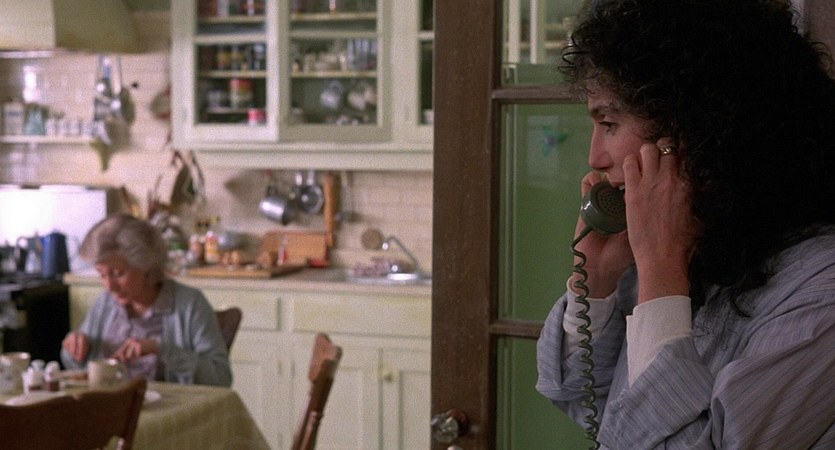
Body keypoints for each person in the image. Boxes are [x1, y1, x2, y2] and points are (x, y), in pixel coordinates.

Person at [536, 0, 835, 448]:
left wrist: (661, 272)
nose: (595, 157)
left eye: (610, 123)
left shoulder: (821, 291)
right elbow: (587, 402)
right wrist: (595, 281)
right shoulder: (691, 247)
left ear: (692, 133)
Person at [61, 213, 232, 387]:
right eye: (102, 274)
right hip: (109, 403)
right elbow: (76, 367)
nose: (109, 286)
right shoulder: (106, 303)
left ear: (145, 264)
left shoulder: (189, 304)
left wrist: (161, 349)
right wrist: (75, 348)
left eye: (118, 273)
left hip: (169, 405)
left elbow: (221, 378)